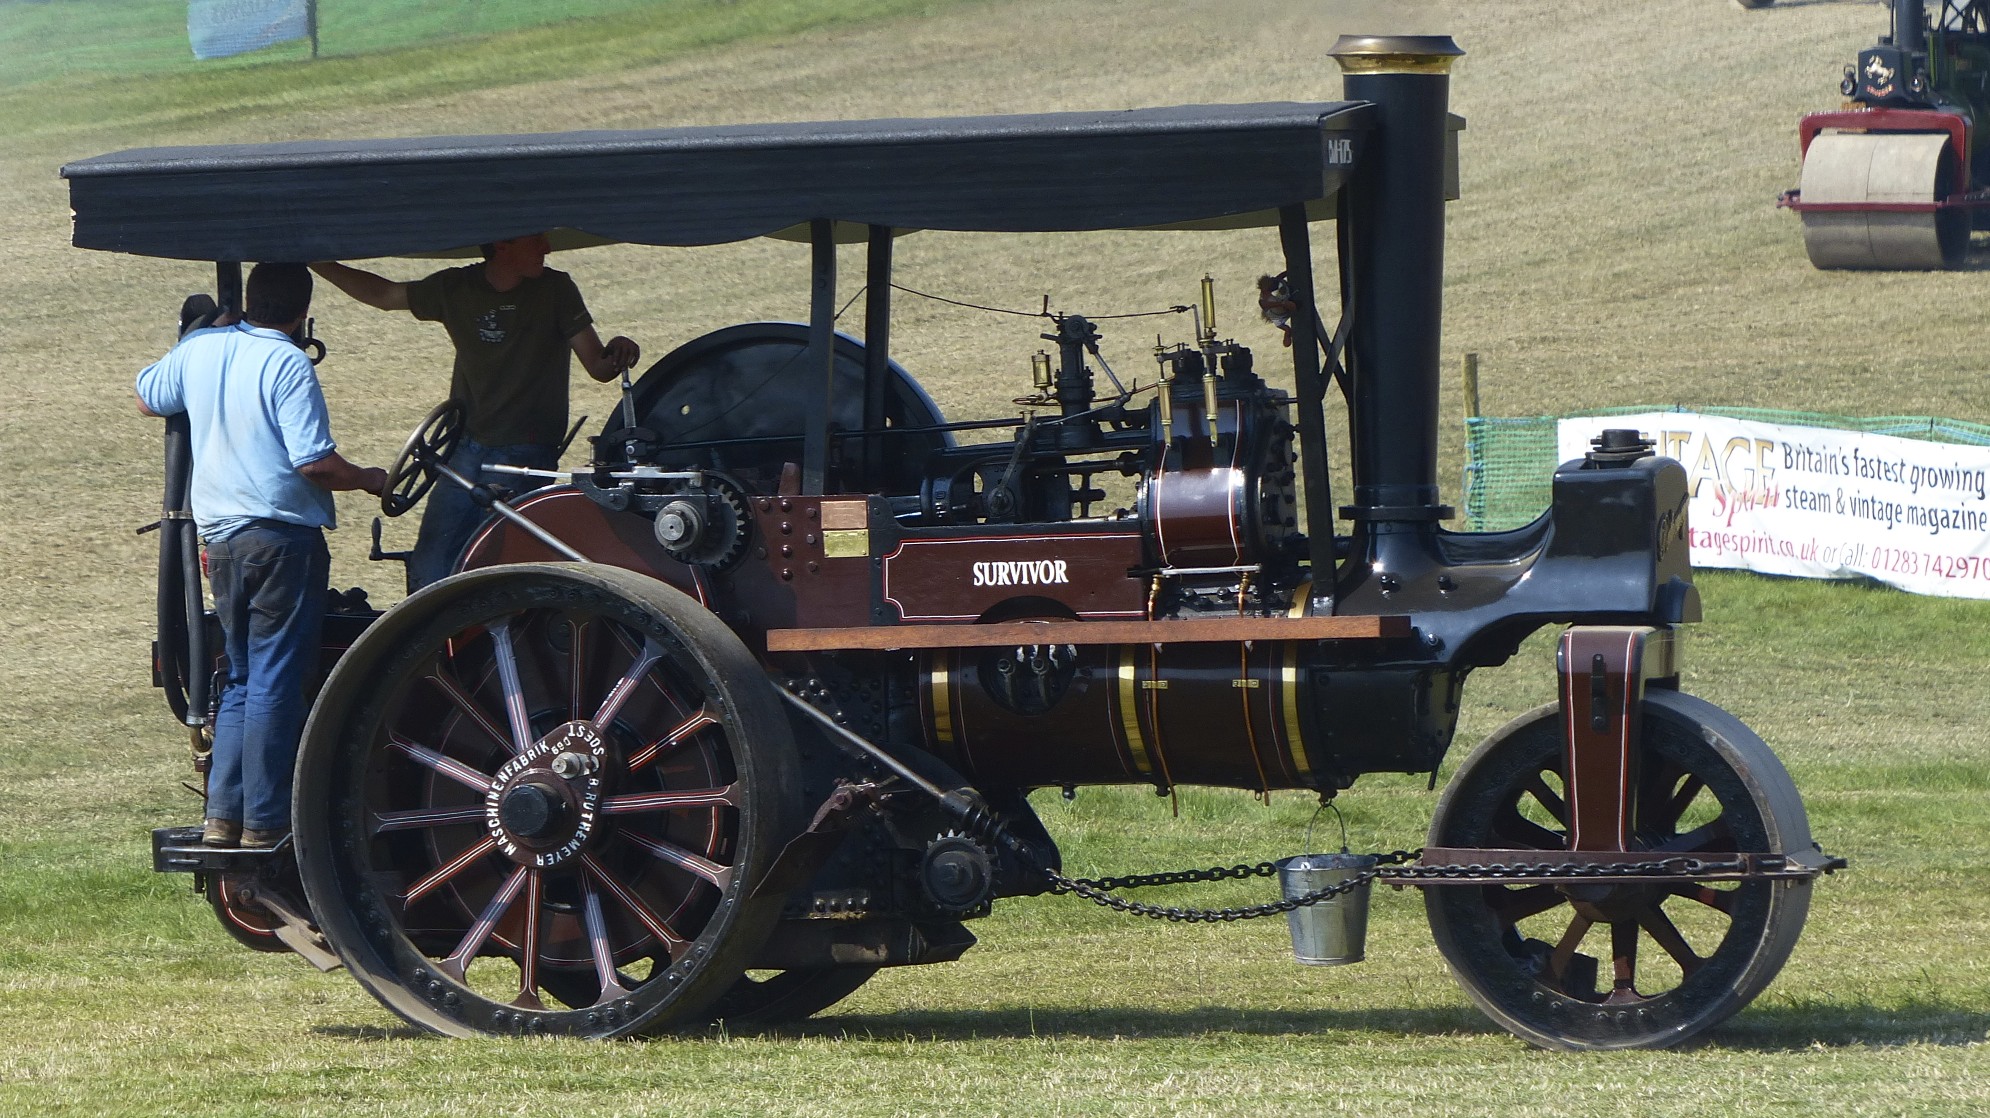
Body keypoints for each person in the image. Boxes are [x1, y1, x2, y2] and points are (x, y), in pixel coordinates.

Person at [136, 263, 387, 849]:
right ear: (303, 314)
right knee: (275, 677)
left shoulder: (201, 350)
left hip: (220, 539)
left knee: (243, 677)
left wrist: (208, 334)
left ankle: (223, 815)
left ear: (247, 302)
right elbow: (314, 463)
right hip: (279, 539)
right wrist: (372, 477)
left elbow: (149, 396)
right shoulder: (289, 362)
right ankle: (265, 821)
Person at [310, 235, 640, 589]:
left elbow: (598, 366)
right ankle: (435, 637)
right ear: (502, 245)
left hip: (527, 454)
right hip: (464, 448)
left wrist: (620, 350)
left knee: (506, 563)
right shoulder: (456, 288)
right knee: (432, 561)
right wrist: (316, 261)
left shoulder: (556, 290)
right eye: (535, 241)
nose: (546, 248)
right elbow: (384, 295)